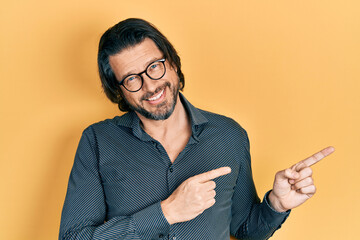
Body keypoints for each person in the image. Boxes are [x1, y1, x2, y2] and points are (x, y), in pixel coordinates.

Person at [59, 18, 334, 240]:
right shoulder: (97, 141)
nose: (150, 85)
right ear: (118, 91)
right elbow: (73, 237)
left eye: (155, 66)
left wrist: (277, 204)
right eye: (132, 78)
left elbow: (244, 230)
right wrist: (165, 213)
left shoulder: (229, 135)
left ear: (174, 65)